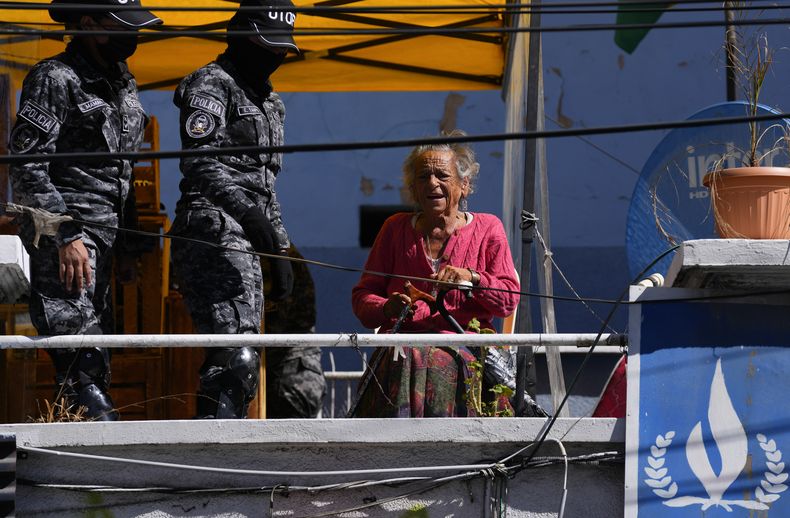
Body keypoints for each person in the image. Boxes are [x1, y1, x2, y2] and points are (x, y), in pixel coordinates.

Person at [8, 0, 161, 420]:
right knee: (82, 364)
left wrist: (127, 245)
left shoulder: (123, 82)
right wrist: (66, 234)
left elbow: (124, 171)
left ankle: (77, 443)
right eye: (123, 27)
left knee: (96, 356)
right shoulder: (54, 77)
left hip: (106, 239)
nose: (133, 36)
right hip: (66, 238)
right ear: (90, 24)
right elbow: (26, 167)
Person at [170, 0, 297, 419]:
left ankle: (222, 437)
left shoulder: (272, 103)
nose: (275, 55)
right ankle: (212, 446)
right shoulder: (211, 83)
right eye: (267, 46)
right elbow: (198, 161)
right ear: (240, 37)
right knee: (233, 357)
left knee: (245, 354)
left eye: (281, 49)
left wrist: (279, 249)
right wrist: (247, 214)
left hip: (248, 236)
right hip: (212, 227)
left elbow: (266, 185)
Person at [350, 130, 520, 418]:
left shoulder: (488, 228)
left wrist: (472, 278)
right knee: (406, 356)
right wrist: (387, 307)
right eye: (423, 177)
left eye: (442, 175)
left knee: (431, 358)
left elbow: (508, 300)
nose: (432, 183)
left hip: (465, 349)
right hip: (401, 352)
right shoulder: (394, 229)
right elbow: (363, 298)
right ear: (413, 188)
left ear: (464, 185)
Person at [262, 244, 325, 418]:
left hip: (289, 374)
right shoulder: (280, 254)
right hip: (291, 371)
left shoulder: (276, 259)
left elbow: (278, 318)